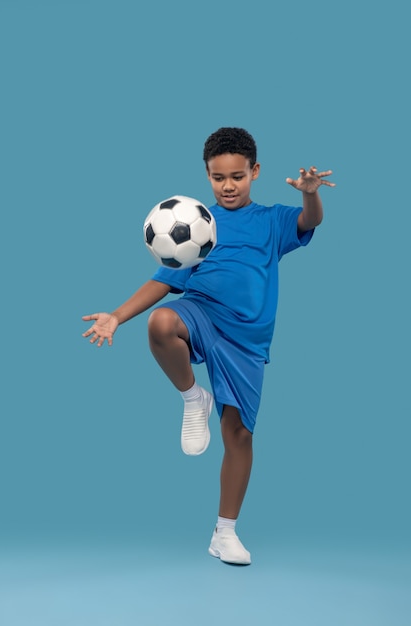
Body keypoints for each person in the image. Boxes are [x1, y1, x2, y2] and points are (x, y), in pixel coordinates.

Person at [82, 127, 335, 566]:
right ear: (207, 177)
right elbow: (162, 284)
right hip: (202, 317)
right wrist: (117, 316)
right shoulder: (198, 225)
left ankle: (224, 533)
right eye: (219, 178)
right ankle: (191, 395)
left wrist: (311, 194)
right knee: (162, 324)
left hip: (247, 342)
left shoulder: (271, 220)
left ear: (255, 172)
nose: (229, 185)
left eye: (238, 176)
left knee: (237, 434)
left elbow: (309, 221)